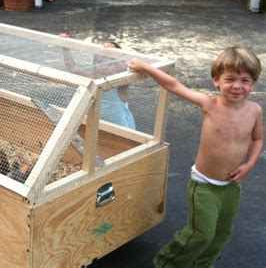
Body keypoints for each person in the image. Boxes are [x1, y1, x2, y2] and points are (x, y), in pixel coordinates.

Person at [128, 47, 263, 268]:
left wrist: (249, 165)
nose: (237, 86)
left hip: (231, 187)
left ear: (254, 83)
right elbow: (173, 85)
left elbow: (257, 140)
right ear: (216, 80)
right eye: (230, 79)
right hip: (204, 186)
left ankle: (201, 264)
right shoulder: (210, 104)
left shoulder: (255, 110)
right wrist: (145, 67)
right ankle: (167, 263)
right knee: (201, 234)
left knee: (222, 233)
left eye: (245, 80)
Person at [59, 32, 135, 129]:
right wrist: (65, 47)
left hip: (122, 130)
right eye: (99, 63)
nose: (103, 67)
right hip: (99, 127)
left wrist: (115, 51)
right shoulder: (93, 79)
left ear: (118, 68)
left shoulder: (120, 85)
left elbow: (127, 67)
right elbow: (72, 67)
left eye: (110, 64)